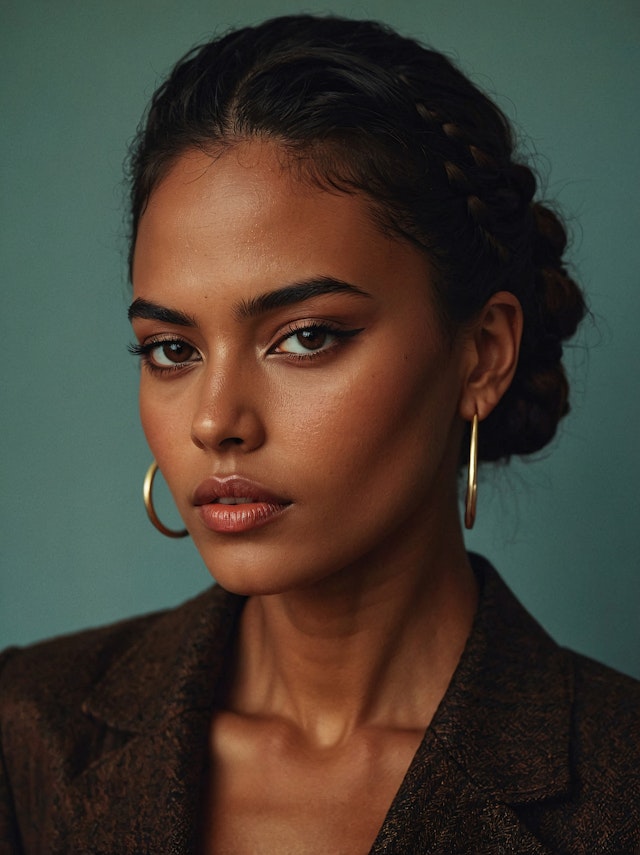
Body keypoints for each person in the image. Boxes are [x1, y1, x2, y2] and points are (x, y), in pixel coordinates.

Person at [1, 14, 638, 854]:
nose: (214, 419)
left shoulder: (618, 785)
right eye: (172, 349)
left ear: (482, 355)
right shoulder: (26, 736)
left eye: (306, 336)